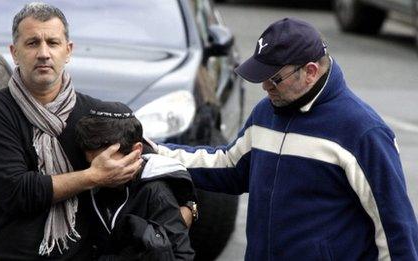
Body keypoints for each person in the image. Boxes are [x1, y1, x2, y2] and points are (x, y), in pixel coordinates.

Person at [151, 17, 418, 260]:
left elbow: (395, 228)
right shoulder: (266, 113)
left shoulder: (363, 132)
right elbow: (229, 165)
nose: (265, 87)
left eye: (274, 79)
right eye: (261, 77)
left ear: (310, 71)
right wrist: (153, 154)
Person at [0, 3, 145, 260]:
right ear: (14, 52)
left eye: (53, 42)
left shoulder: (95, 114)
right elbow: (18, 192)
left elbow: (148, 160)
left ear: (68, 50)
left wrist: (187, 204)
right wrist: (93, 176)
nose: (43, 53)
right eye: (32, 43)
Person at [75, 101, 195, 260]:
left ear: (136, 151)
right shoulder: (88, 183)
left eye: (107, 163)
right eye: (92, 164)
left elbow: (181, 256)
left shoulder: (156, 193)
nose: (98, 173)